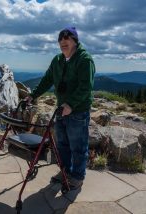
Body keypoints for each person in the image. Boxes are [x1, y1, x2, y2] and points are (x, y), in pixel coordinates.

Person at [26, 26, 95, 190]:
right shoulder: (57, 60)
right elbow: (47, 79)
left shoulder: (85, 60)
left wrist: (71, 104)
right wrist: (33, 95)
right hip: (61, 109)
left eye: (67, 38)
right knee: (62, 144)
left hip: (77, 111)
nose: (63, 41)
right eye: (60, 39)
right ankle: (65, 172)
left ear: (75, 41)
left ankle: (77, 177)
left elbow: (86, 87)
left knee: (78, 146)